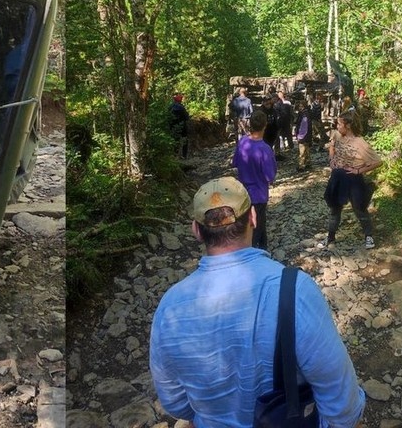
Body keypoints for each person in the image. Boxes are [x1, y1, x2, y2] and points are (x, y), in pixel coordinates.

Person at [150, 177, 367, 427]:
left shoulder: (169, 308)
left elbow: (176, 403)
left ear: (196, 231)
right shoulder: (295, 289)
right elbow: (341, 398)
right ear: (253, 217)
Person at [319, 110, 382, 250]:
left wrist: (359, 170)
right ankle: (330, 237)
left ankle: (369, 236)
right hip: (337, 177)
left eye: (339, 123)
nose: (337, 126)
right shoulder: (337, 135)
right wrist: (332, 159)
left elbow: (377, 161)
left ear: (347, 125)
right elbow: (332, 146)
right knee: (334, 209)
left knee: (359, 209)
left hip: (353, 179)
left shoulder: (360, 143)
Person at [231, 110, 277, 250]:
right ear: (265, 126)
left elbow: (235, 162)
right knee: (256, 224)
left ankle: (263, 247)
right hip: (259, 193)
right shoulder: (265, 149)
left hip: (243, 191)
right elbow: (270, 175)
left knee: (257, 222)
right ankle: (255, 252)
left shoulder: (243, 141)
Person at [168, 93, 190, 159]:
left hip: (173, 126)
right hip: (182, 126)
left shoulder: (170, 107)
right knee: (185, 140)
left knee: (175, 140)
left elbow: (167, 117)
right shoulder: (181, 107)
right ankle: (184, 155)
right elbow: (187, 117)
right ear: (180, 100)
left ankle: (175, 155)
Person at [294, 100, 312, 172]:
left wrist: (300, 136)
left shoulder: (304, 115)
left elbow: (303, 127)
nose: (300, 108)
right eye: (299, 106)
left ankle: (301, 166)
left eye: (301, 106)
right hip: (308, 135)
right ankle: (308, 163)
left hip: (303, 135)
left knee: (302, 151)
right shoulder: (306, 114)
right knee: (307, 149)